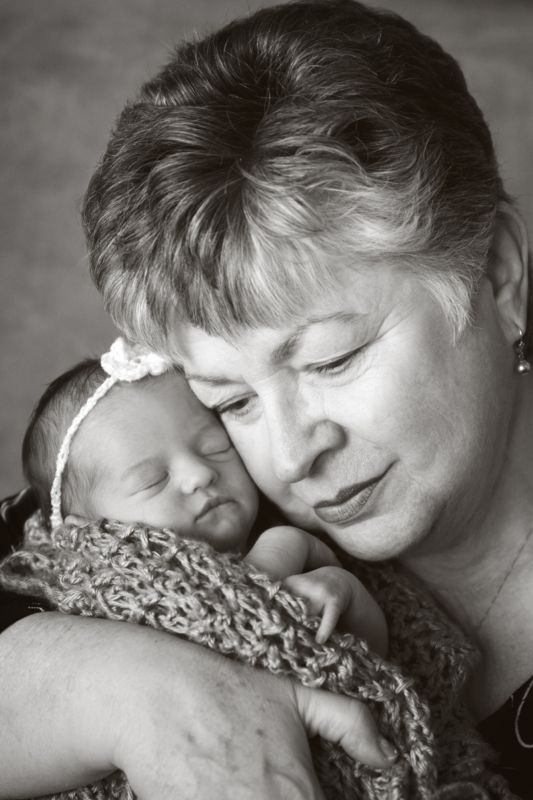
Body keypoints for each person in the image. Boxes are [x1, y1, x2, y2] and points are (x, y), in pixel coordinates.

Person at [0, 0, 532, 797]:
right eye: (229, 403)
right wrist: (138, 693)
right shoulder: (183, 518)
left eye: (331, 359)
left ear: (495, 272)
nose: (288, 456)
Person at [19, 338, 388, 654]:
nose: (200, 474)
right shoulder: (97, 617)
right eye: (153, 481)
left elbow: (380, 670)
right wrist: (273, 557)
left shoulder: (295, 532)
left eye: (215, 448)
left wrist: (346, 592)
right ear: (89, 534)